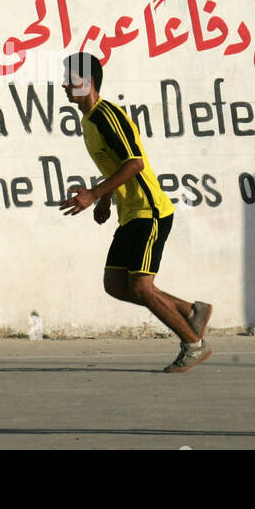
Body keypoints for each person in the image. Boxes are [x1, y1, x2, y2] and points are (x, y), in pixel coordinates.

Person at [57, 52, 213, 372]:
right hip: (130, 213)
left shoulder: (105, 116)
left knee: (142, 287)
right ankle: (190, 310)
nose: (63, 85)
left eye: (69, 80)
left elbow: (135, 163)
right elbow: (117, 164)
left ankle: (193, 344)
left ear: (87, 83)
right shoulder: (89, 120)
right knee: (115, 285)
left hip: (149, 211)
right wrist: (103, 200)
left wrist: (95, 193)